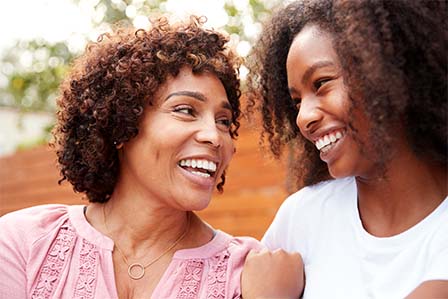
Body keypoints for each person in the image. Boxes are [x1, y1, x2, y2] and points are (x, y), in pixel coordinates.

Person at [0, 16, 263, 298]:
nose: (214, 135)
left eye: (223, 121)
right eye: (186, 110)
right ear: (121, 124)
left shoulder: (248, 272)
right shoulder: (24, 243)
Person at [242, 0, 448, 298]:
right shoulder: (302, 217)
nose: (304, 118)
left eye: (322, 83)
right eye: (296, 101)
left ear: (389, 72)